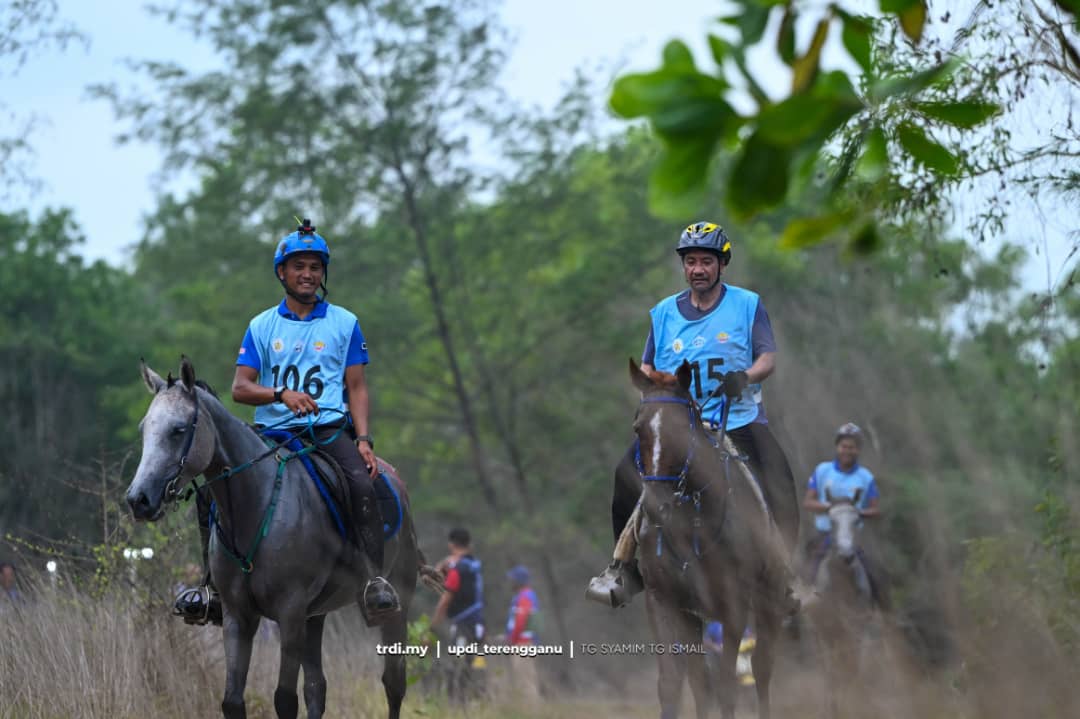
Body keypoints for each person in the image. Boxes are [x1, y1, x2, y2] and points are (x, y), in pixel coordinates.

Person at [173, 219, 400, 625]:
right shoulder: (261, 326)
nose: (308, 274)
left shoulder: (345, 323)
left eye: (315, 267)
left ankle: (373, 582)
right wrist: (281, 395)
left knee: (362, 484)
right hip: (272, 432)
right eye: (299, 267)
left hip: (328, 429)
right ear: (282, 272)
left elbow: (358, 387)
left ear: (323, 273)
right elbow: (241, 388)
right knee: (213, 484)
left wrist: (363, 438)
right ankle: (211, 588)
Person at [588, 222, 800, 608]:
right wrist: (656, 389)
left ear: (722, 264)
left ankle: (785, 575)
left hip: (736, 418)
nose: (697, 269)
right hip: (679, 425)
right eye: (690, 262)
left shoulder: (747, 304)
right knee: (625, 475)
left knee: (780, 479)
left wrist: (745, 377)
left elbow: (767, 358)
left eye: (706, 261)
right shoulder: (664, 313)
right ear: (683, 267)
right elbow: (648, 368)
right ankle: (622, 567)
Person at [802, 422, 889, 608]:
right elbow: (808, 501)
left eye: (852, 447)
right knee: (806, 568)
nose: (847, 451)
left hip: (853, 535)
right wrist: (829, 507)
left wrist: (858, 512)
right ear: (837, 447)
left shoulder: (865, 477)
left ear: (858, 450)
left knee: (875, 571)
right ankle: (796, 612)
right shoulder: (822, 470)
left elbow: (876, 508)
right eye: (844, 446)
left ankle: (883, 614)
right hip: (825, 534)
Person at [432, 528, 485, 703]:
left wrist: (433, 626)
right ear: (469, 545)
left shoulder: (456, 571)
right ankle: (477, 702)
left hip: (464, 627)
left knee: (458, 668)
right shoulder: (474, 565)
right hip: (478, 625)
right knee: (474, 666)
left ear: (451, 544)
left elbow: (445, 600)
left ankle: (457, 705)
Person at [504, 565, 541, 702]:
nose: (510, 582)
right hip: (524, 644)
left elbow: (521, 620)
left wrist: (511, 640)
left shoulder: (525, 597)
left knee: (525, 684)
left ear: (518, 581)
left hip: (523, 645)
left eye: (512, 579)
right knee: (525, 681)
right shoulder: (526, 596)